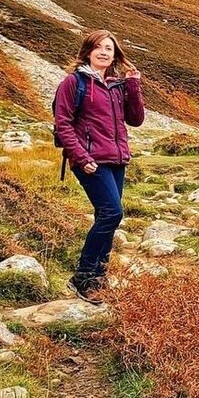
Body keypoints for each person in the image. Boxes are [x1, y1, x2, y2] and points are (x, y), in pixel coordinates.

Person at [53, 29, 144, 303]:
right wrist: (81, 158)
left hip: (116, 160)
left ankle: (99, 277)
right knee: (111, 213)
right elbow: (63, 124)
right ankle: (83, 276)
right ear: (88, 51)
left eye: (110, 48)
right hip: (90, 161)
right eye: (99, 47)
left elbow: (136, 119)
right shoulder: (74, 82)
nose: (105, 52)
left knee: (108, 216)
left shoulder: (117, 86)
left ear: (115, 55)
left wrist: (133, 85)